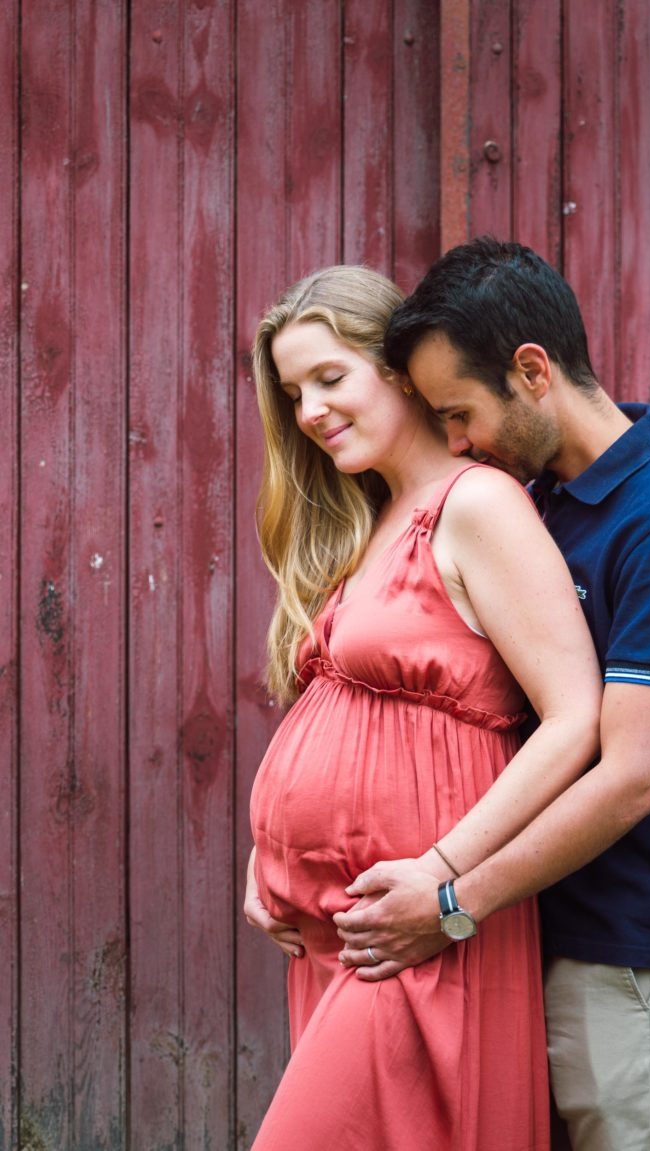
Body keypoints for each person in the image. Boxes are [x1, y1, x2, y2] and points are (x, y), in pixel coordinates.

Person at [333, 238, 650, 1151]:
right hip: (532, 928)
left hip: (630, 958)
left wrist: (449, 903)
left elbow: (630, 776)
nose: (455, 442)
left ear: (531, 371)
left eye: (460, 413)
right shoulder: (543, 502)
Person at [243, 263, 603, 1150]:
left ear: (400, 372)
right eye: (294, 393)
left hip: (421, 931)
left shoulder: (476, 503)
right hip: (341, 927)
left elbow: (574, 719)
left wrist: (442, 876)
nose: (311, 411)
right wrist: (268, 853)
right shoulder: (376, 518)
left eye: (331, 377)